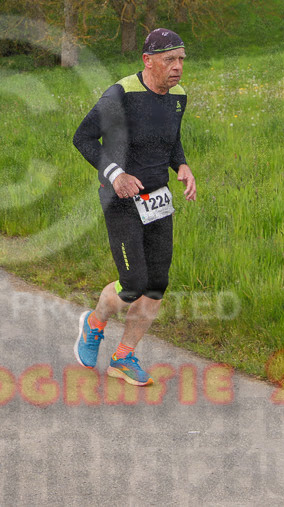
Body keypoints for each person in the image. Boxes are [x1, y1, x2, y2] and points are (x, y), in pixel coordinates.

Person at [71, 28, 197, 386]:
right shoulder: (121, 94)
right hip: (121, 198)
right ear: (147, 60)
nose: (178, 67)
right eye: (169, 59)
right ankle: (94, 323)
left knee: (157, 284)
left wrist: (182, 165)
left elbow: (170, 140)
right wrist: (116, 174)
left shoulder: (178, 97)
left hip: (158, 200)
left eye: (182, 59)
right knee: (132, 285)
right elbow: (82, 137)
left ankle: (123, 357)